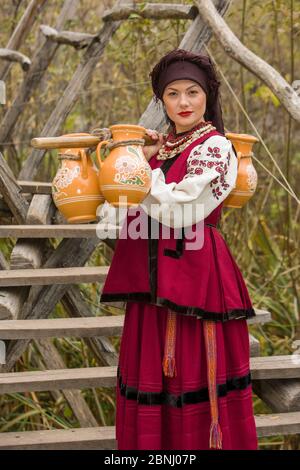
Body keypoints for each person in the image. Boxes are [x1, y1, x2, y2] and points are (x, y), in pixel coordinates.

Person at [98, 49, 258, 450]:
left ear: (207, 97)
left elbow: (181, 210)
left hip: (195, 280)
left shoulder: (216, 148)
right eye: (172, 94)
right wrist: (132, 159)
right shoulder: (162, 147)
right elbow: (113, 213)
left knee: (191, 375)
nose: (183, 103)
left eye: (192, 92)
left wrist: (139, 169)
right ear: (161, 100)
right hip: (151, 282)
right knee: (152, 381)